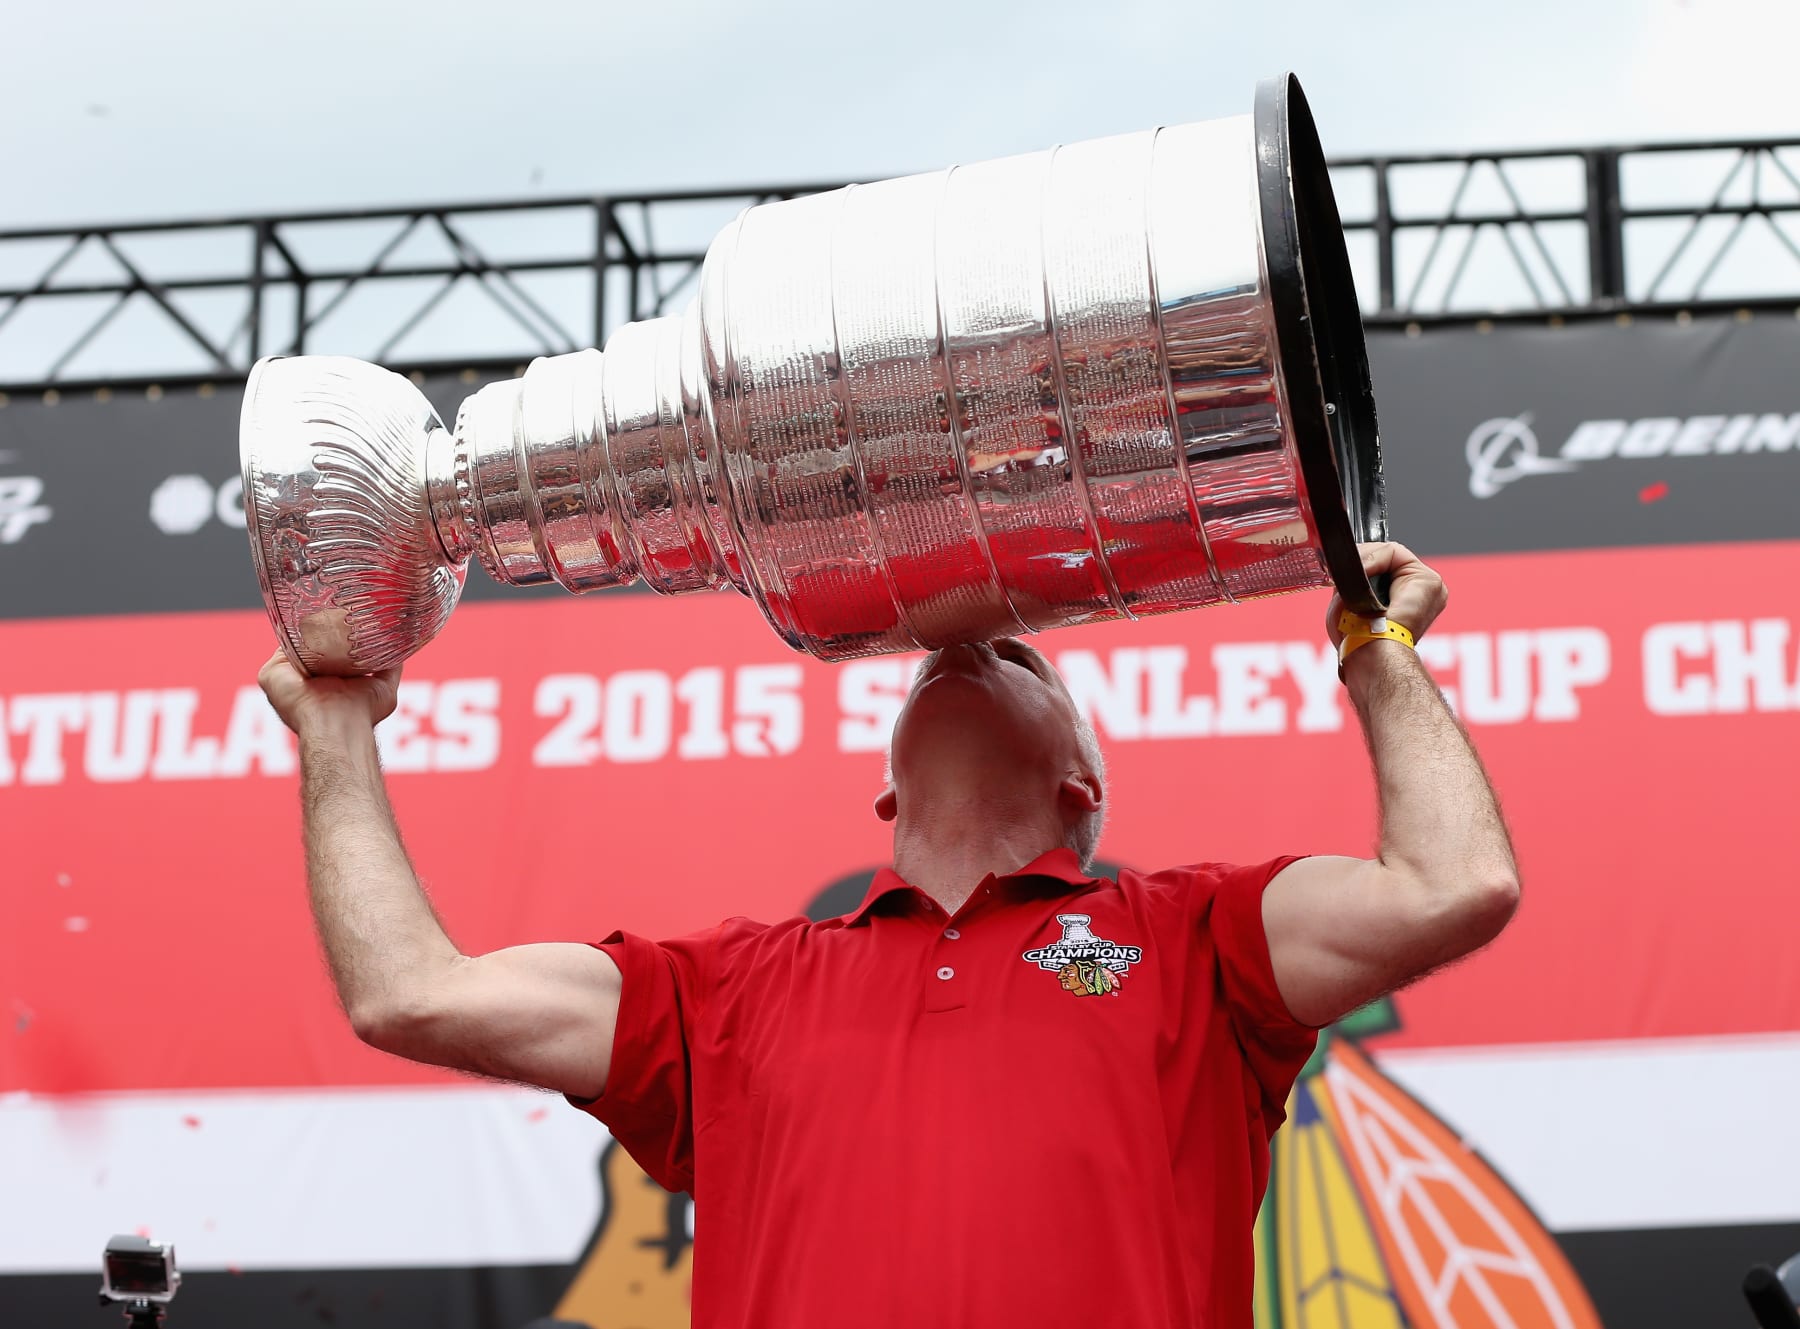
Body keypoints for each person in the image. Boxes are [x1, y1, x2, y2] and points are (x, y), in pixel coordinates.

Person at [258, 540, 1518, 1329]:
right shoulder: (724, 989)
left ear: (1083, 790)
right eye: (938, 662)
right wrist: (336, 733)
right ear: (884, 795)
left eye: (1024, 659)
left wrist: (1378, 648)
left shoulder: (1195, 936)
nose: (971, 649)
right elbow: (407, 993)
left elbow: (1450, 883)